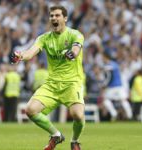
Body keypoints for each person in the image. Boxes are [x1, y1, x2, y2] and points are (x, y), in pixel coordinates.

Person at [10, 5, 85, 150]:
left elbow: (76, 48)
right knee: (30, 110)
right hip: (52, 84)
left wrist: (72, 53)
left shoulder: (75, 34)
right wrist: (20, 56)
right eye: (52, 16)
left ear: (65, 18)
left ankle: (75, 141)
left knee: (78, 115)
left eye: (57, 15)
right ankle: (56, 135)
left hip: (71, 83)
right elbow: (30, 52)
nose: (54, 18)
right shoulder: (44, 38)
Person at [102, 52, 133, 121]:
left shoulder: (108, 66)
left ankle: (114, 114)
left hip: (112, 87)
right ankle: (130, 115)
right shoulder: (115, 64)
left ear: (105, 57)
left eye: (103, 57)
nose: (102, 59)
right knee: (123, 100)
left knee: (106, 100)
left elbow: (109, 77)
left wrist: (104, 85)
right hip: (119, 86)